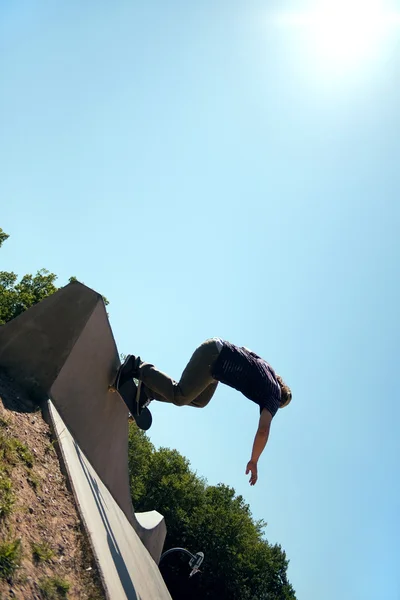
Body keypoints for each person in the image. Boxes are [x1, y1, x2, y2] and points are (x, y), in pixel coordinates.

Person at [117, 338, 292, 486]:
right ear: (281, 401)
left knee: (200, 400)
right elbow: (263, 431)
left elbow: (246, 350)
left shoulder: (269, 370)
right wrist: (254, 460)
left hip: (217, 357)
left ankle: (149, 391)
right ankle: (137, 367)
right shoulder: (274, 396)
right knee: (181, 396)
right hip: (214, 358)